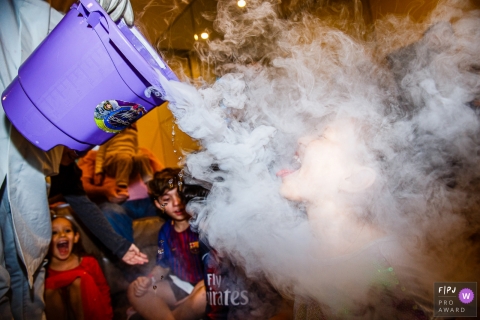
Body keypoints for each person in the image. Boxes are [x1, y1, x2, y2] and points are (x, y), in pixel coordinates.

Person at [0, 0, 133, 318]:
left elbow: (80, 200)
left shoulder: (56, 152)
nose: (75, 154)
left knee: (26, 279)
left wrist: (120, 247)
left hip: (23, 175)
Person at [127, 168, 206, 320]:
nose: (176, 203)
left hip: (207, 286)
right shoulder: (165, 232)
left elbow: (222, 266)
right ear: (158, 205)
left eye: (180, 195)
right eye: (167, 200)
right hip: (181, 286)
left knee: (203, 296)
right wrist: (148, 279)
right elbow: (162, 266)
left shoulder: (202, 225)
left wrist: (203, 284)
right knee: (134, 290)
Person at [49, 147, 148, 265]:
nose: (80, 152)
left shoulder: (70, 173)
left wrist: (121, 247)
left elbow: (85, 206)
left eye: (86, 148)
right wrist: (105, 191)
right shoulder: (32, 159)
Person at [78, 147, 161, 242]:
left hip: (150, 202)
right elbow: (82, 186)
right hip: (116, 205)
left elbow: (163, 176)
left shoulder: (143, 151)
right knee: (109, 212)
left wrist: (156, 188)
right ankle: (128, 254)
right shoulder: (91, 156)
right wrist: (104, 191)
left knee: (171, 204)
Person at [45, 215, 113, 319]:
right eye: (54, 232)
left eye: (67, 231)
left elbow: (104, 291)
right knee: (49, 290)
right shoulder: (43, 271)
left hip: (93, 314)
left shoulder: (89, 262)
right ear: (46, 241)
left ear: (76, 237)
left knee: (79, 279)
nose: (62, 235)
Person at [94, 123, 154, 199]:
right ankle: (121, 187)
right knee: (125, 158)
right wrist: (99, 171)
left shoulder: (133, 132)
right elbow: (101, 154)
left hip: (130, 160)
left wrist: (139, 158)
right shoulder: (108, 133)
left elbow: (136, 148)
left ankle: (150, 184)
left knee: (142, 157)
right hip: (112, 162)